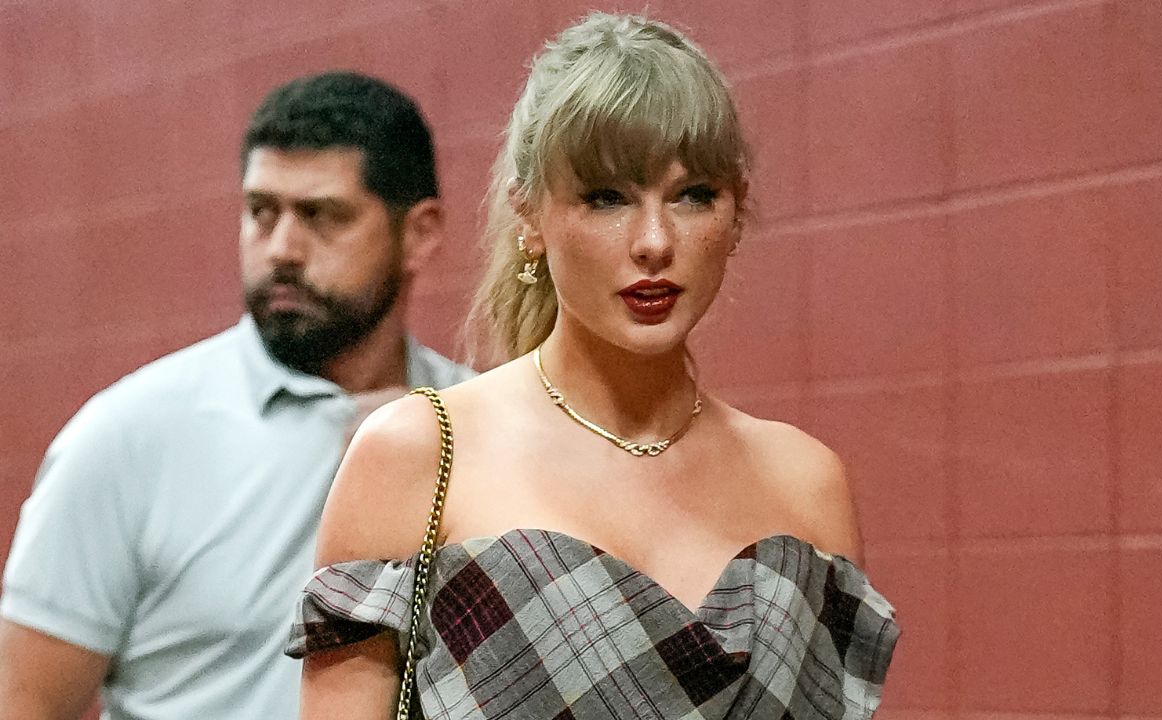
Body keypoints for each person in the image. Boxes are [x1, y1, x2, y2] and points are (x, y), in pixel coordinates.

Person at [288, 14, 898, 720]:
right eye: (607, 197)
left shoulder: (807, 483)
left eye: (693, 195)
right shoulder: (420, 454)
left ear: (736, 213)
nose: (654, 242)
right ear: (529, 215)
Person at [0, 71, 473, 720]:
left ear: (419, 233)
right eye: (261, 212)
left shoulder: (479, 426)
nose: (282, 250)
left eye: (322, 216)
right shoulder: (128, 438)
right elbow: (24, 704)